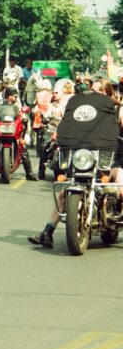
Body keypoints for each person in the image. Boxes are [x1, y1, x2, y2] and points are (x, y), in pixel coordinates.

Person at [28, 82, 123, 248]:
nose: (93, 93)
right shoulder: (80, 109)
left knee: (121, 183)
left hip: (112, 159)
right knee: (64, 192)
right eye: (92, 89)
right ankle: (48, 231)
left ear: (107, 93)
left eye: (99, 90)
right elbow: (70, 123)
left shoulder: (116, 109)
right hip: (86, 160)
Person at [0, 87, 38, 181]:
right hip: (0, 130)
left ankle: (29, 173)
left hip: (13, 130)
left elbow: (21, 115)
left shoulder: (17, 104)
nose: (16, 98)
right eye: (14, 96)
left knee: (23, 148)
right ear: (9, 96)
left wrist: (23, 117)